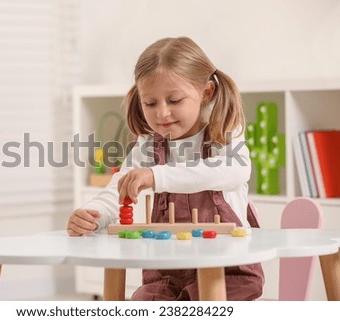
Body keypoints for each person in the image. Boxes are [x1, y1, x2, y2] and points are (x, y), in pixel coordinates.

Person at [66, 36, 264, 301]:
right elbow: (119, 188)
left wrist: (157, 175)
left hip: (226, 268)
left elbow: (233, 171)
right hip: (166, 271)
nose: (162, 114)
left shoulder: (224, 133)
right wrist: (95, 214)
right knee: (142, 302)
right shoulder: (149, 144)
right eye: (150, 103)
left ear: (206, 93)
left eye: (174, 101)